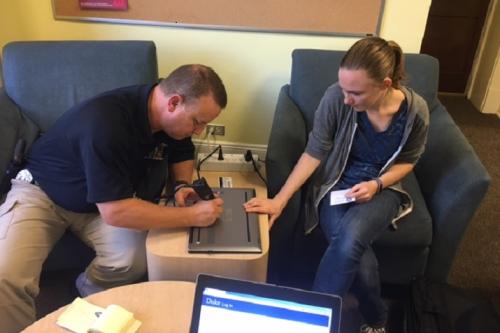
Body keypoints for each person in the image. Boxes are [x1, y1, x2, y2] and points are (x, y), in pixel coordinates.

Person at [0, 64, 227, 332]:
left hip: (100, 203)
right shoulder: (106, 123)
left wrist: (180, 185)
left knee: (130, 261)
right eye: (198, 122)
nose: (199, 131)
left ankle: (87, 298)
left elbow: (182, 151)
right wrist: (192, 216)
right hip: (43, 193)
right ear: (174, 102)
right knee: (5, 276)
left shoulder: (170, 120)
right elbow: (116, 213)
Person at [244, 37, 429, 333]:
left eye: (355, 92)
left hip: (383, 188)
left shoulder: (415, 111)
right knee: (355, 250)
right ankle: (377, 318)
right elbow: (314, 151)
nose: (346, 99)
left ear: (385, 84)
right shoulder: (335, 98)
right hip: (336, 185)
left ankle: (312, 318)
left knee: (351, 236)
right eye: (343, 88)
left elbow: (409, 161)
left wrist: (377, 185)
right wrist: (280, 199)